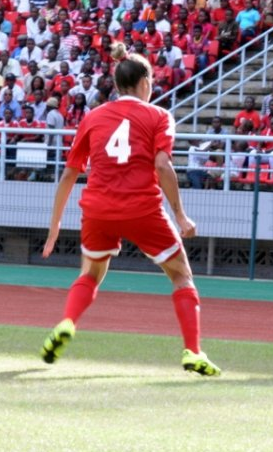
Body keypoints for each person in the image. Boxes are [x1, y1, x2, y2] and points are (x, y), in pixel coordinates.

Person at [39, 44, 221, 377]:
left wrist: (54, 228)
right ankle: (193, 352)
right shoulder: (158, 116)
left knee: (90, 274)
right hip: (142, 206)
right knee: (181, 276)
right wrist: (180, 214)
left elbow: (69, 173)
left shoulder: (93, 117)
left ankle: (67, 322)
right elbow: (163, 166)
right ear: (145, 83)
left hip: (97, 206)